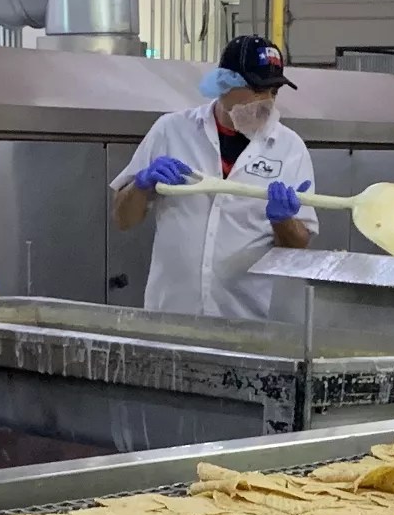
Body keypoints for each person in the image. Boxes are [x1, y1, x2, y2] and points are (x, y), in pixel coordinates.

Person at [111, 35, 316, 320]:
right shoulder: (172, 130)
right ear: (224, 83)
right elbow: (123, 219)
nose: (266, 102)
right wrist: (141, 186)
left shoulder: (290, 148)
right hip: (170, 318)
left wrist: (284, 221)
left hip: (247, 322)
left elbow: (297, 247)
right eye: (256, 89)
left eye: (273, 92)